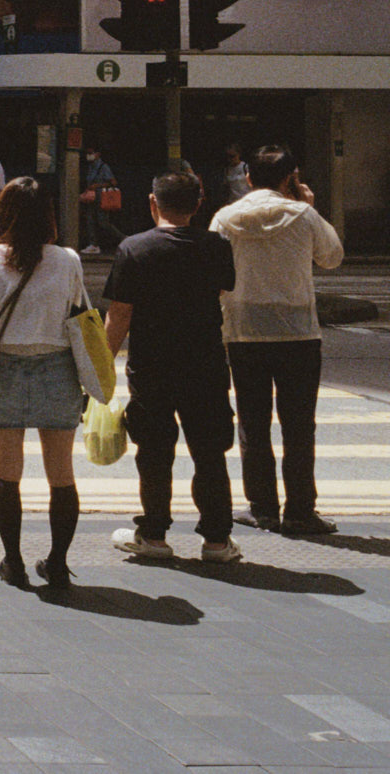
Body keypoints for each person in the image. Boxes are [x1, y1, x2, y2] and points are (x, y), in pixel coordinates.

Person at [0, 177, 91, 591]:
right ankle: (59, 565)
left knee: (7, 471)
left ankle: (13, 562)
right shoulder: (67, 259)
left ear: (2, 213)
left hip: (6, 371)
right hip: (57, 370)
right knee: (61, 473)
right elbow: (79, 317)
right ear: (48, 216)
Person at [102, 170, 242, 562]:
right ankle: (216, 541)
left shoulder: (134, 248)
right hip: (206, 364)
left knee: (154, 451)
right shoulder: (217, 246)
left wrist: (100, 368)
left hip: (151, 366)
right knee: (210, 451)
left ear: (152, 203)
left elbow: (120, 315)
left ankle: (154, 535)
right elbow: (220, 291)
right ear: (198, 205)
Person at [211, 145, 345, 535]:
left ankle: (263, 507)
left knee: (253, 422)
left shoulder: (225, 218)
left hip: (244, 332)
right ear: (291, 177)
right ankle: (301, 511)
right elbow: (332, 257)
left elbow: (216, 274)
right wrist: (309, 204)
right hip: (298, 333)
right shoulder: (304, 215)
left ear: (249, 177)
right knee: (299, 424)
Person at [80, 147, 123, 254]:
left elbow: (113, 182)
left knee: (103, 222)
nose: (88, 155)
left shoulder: (103, 167)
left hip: (101, 196)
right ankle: (93, 244)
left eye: (91, 153)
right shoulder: (90, 167)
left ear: (98, 154)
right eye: (87, 153)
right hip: (92, 197)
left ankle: (123, 238)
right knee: (90, 220)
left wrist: (97, 185)